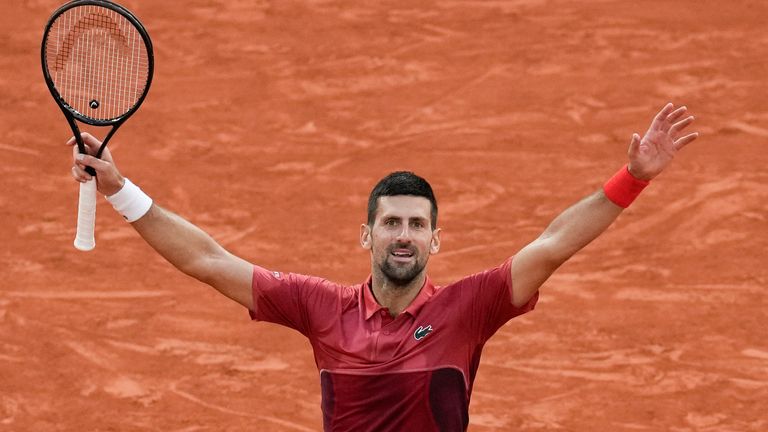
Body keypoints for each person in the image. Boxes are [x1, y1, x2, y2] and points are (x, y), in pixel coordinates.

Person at [68, 103, 697, 431]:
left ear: (435, 241)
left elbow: (555, 243)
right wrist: (121, 188)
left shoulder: (470, 308)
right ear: (367, 233)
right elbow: (208, 260)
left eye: (417, 225)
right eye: (392, 223)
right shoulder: (319, 307)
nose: (404, 236)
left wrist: (632, 178)